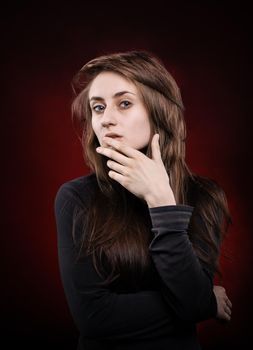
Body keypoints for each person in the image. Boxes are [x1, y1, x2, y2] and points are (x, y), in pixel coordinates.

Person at [54, 50, 232, 350]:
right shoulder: (77, 198)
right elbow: (94, 317)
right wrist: (203, 301)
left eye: (124, 103)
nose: (106, 120)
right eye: (98, 107)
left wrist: (163, 204)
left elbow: (193, 302)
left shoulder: (204, 196)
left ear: (159, 111)